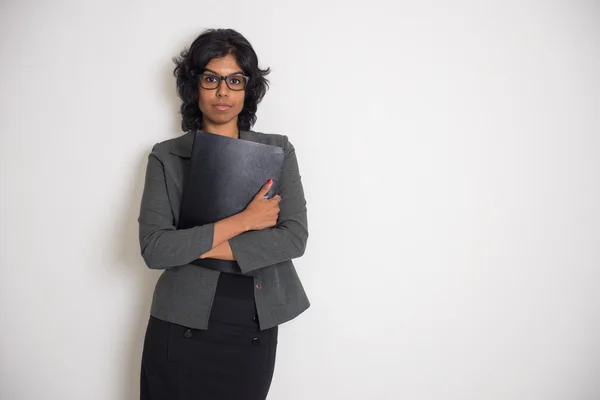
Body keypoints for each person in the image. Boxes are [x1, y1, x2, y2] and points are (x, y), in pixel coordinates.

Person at [137, 28, 310, 399]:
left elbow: (294, 238)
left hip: (252, 329)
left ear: (248, 88)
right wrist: (245, 222)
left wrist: (190, 243)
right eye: (211, 78)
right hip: (179, 327)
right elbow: (155, 249)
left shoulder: (278, 152)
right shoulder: (166, 156)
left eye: (234, 80)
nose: (222, 91)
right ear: (194, 85)